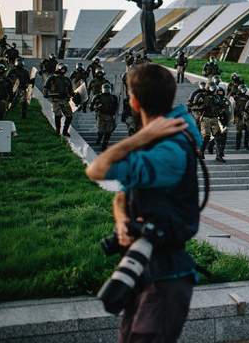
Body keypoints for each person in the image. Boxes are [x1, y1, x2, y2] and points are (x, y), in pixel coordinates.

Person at [85, 63, 202, 343]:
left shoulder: (167, 151)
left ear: (133, 101)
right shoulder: (160, 145)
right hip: (143, 270)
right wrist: (122, 220)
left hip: (165, 277)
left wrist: (141, 137)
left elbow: (96, 170)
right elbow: (123, 195)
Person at [194, 82, 227, 162]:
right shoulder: (201, 96)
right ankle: (201, 152)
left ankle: (219, 155)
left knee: (218, 136)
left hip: (214, 118)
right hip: (205, 118)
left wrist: (222, 117)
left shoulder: (216, 97)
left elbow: (219, 107)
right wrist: (201, 108)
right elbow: (193, 105)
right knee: (206, 137)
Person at [43, 63, 75, 136]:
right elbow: (46, 86)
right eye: (62, 69)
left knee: (69, 115)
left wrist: (74, 95)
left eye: (64, 69)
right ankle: (58, 129)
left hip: (64, 99)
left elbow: (70, 89)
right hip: (56, 99)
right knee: (58, 115)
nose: (63, 71)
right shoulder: (52, 78)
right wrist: (45, 93)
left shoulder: (66, 79)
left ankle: (65, 130)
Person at [90, 83, 119, 151]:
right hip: (100, 115)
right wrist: (96, 107)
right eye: (105, 90)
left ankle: (104, 145)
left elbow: (116, 106)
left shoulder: (113, 97)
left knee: (108, 131)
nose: (106, 91)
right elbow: (91, 105)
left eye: (108, 90)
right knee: (101, 130)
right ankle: (99, 138)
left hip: (109, 115)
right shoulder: (98, 96)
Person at [214, 86, 232, 161]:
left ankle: (221, 152)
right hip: (216, 120)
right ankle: (219, 154)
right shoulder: (215, 100)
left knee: (224, 137)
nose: (220, 94)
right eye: (219, 92)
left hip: (225, 121)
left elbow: (229, 110)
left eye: (221, 92)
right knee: (218, 137)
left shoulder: (226, 101)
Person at [232, 84, 249, 150]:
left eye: (245, 90)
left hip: (246, 116)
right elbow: (233, 107)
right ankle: (238, 145)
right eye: (243, 90)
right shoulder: (235, 98)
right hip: (238, 116)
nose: (244, 91)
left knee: (248, 130)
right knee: (239, 131)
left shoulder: (248, 98)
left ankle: (246, 145)